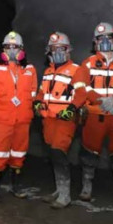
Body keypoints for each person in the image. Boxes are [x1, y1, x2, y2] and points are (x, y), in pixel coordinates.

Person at [78, 22, 113, 204]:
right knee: (89, 152)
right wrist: (101, 100)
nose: (105, 42)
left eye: (108, 38)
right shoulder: (87, 64)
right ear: (95, 42)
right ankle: (86, 188)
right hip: (96, 115)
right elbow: (81, 87)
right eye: (101, 39)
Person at [34, 32, 87, 209]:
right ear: (49, 51)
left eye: (61, 48)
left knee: (59, 153)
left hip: (65, 119)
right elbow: (42, 93)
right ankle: (58, 189)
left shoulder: (76, 70)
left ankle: (65, 195)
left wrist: (72, 109)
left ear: (68, 50)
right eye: (53, 49)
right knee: (53, 153)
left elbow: (81, 94)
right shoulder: (48, 71)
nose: (57, 52)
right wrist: (37, 103)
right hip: (48, 119)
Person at [0, 31, 37, 203]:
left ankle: (16, 187)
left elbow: (33, 93)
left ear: (22, 50)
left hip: (23, 119)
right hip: (3, 119)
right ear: (3, 50)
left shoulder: (30, 70)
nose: (12, 51)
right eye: (8, 47)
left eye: (15, 47)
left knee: (19, 153)